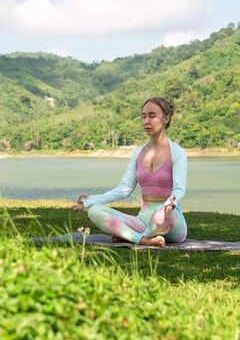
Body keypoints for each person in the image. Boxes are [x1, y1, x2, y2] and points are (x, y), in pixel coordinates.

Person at [71, 97, 187, 248]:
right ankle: (143, 239)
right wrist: (92, 200)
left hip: (169, 220)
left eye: (152, 116)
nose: (146, 121)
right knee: (94, 211)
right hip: (142, 220)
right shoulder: (138, 153)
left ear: (166, 119)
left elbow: (179, 188)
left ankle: (129, 236)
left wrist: (172, 200)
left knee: (159, 217)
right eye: (144, 116)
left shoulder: (177, 153)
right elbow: (124, 189)